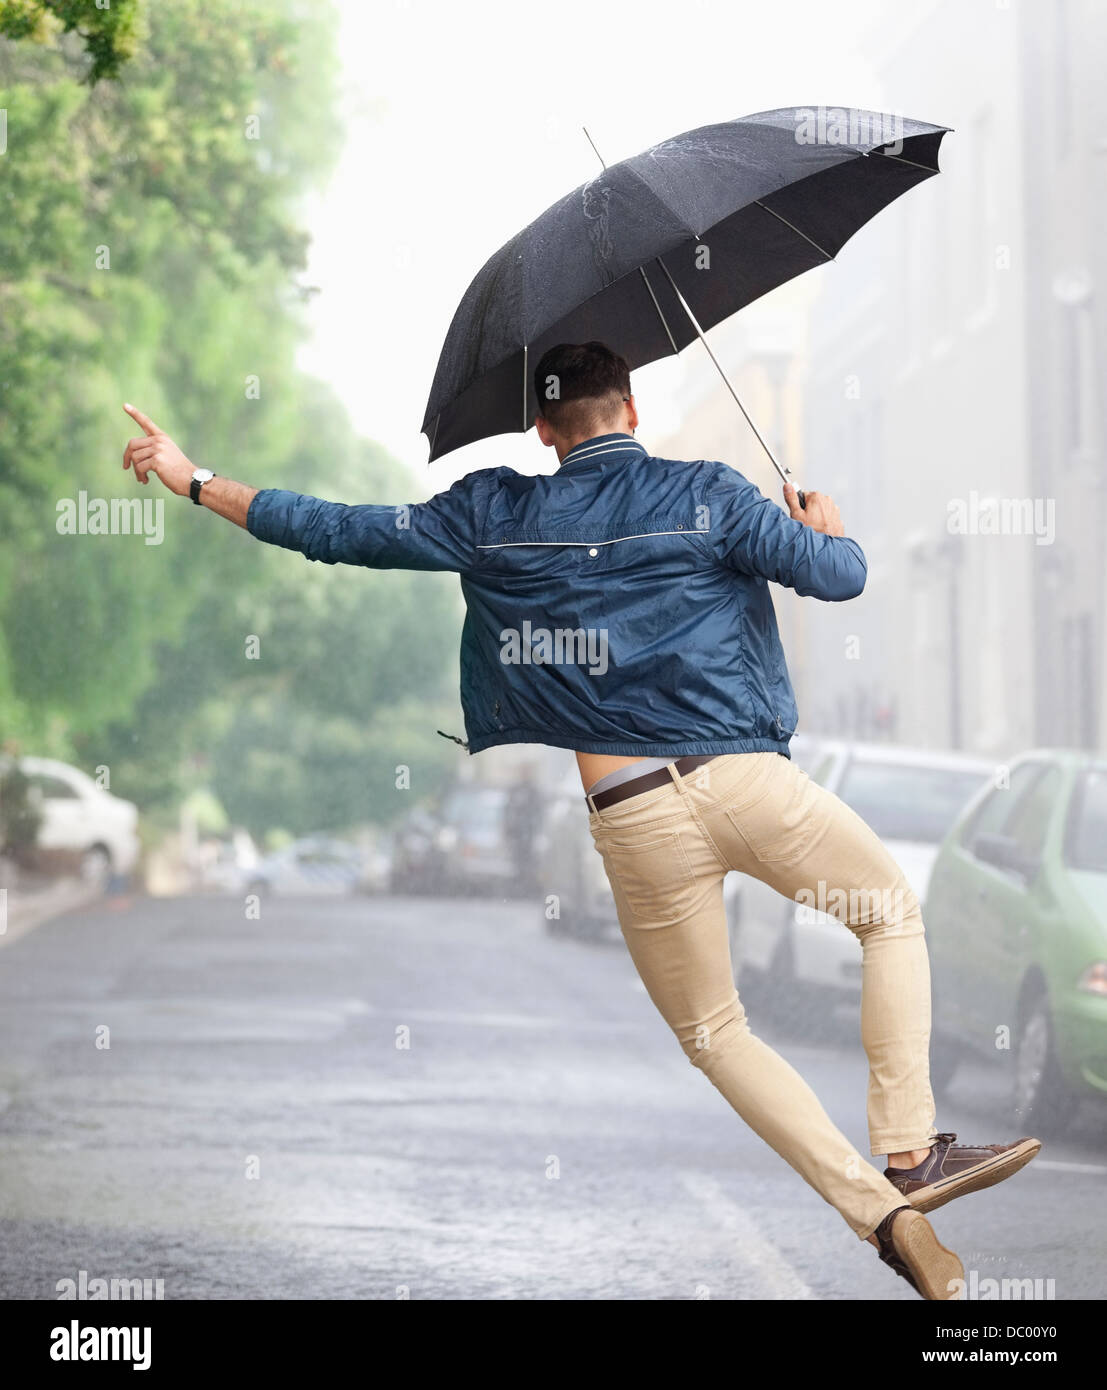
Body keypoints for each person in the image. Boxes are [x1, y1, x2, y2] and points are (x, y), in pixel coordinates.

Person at [121, 341, 1039, 1299]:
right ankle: (905, 1152)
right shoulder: (712, 494)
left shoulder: (490, 511)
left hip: (632, 815)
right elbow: (838, 578)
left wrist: (196, 481)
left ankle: (880, 1217)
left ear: (541, 429)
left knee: (717, 1036)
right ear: (631, 410)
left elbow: (337, 529)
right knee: (886, 912)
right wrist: (827, 528)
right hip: (743, 781)